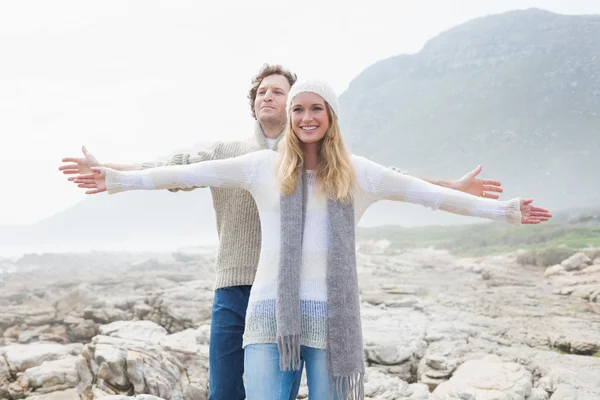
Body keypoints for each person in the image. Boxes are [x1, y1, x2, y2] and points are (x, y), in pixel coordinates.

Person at [71, 77, 551, 399]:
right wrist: (114, 178)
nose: (305, 117)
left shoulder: (360, 174)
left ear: (330, 116)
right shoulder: (263, 168)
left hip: (332, 323)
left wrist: (506, 212)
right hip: (268, 320)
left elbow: (430, 197)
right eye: (297, 108)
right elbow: (183, 171)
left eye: (314, 108)